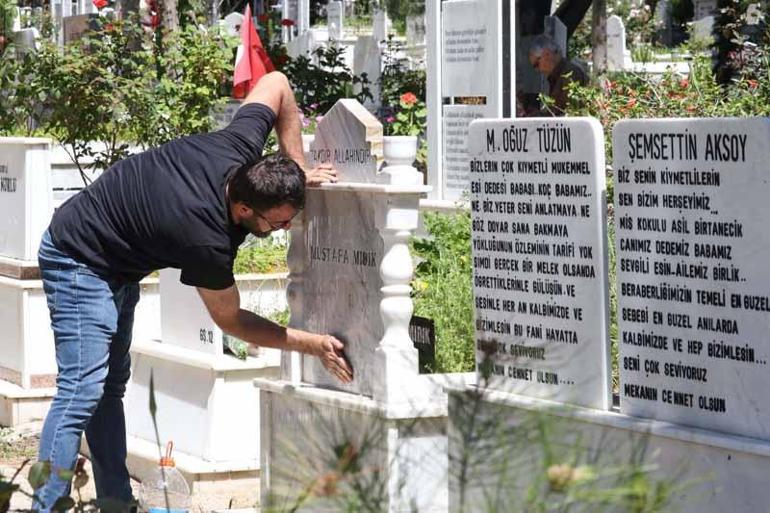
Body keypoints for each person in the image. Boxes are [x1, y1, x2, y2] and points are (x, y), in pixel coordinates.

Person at [33, 71, 354, 512]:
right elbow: (232, 320)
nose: (283, 230)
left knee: (108, 387)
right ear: (243, 209)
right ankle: (45, 506)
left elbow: (277, 82)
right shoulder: (204, 238)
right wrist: (310, 344)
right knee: (81, 389)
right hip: (78, 258)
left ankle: (115, 503)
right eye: (278, 223)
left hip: (118, 261)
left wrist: (295, 169)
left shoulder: (238, 150)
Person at [528, 34, 588, 115]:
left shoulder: (570, 74)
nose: (537, 70)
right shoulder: (557, 76)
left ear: (547, 54)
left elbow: (568, 114)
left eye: (536, 64)